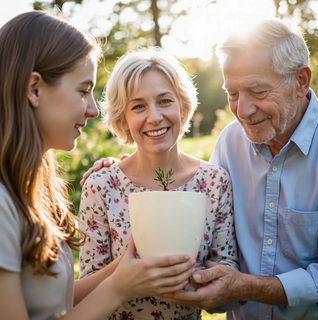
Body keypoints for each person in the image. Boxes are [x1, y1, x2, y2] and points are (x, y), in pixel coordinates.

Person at [82, 18, 318, 319]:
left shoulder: (213, 178)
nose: (242, 111)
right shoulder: (232, 143)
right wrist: (115, 173)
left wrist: (243, 287)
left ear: (301, 80)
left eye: (257, 91)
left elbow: (224, 262)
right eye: (232, 93)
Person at [0, 11, 197, 320]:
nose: (93, 110)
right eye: (83, 91)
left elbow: (57, 301)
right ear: (34, 89)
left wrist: (126, 266)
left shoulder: (29, 191)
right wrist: (118, 288)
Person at [78, 47, 239, 320]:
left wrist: (203, 284)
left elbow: (226, 273)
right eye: (138, 106)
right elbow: (84, 291)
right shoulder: (101, 186)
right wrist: (127, 269)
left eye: (165, 101)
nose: (154, 117)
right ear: (123, 119)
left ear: (183, 107)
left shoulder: (215, 182)